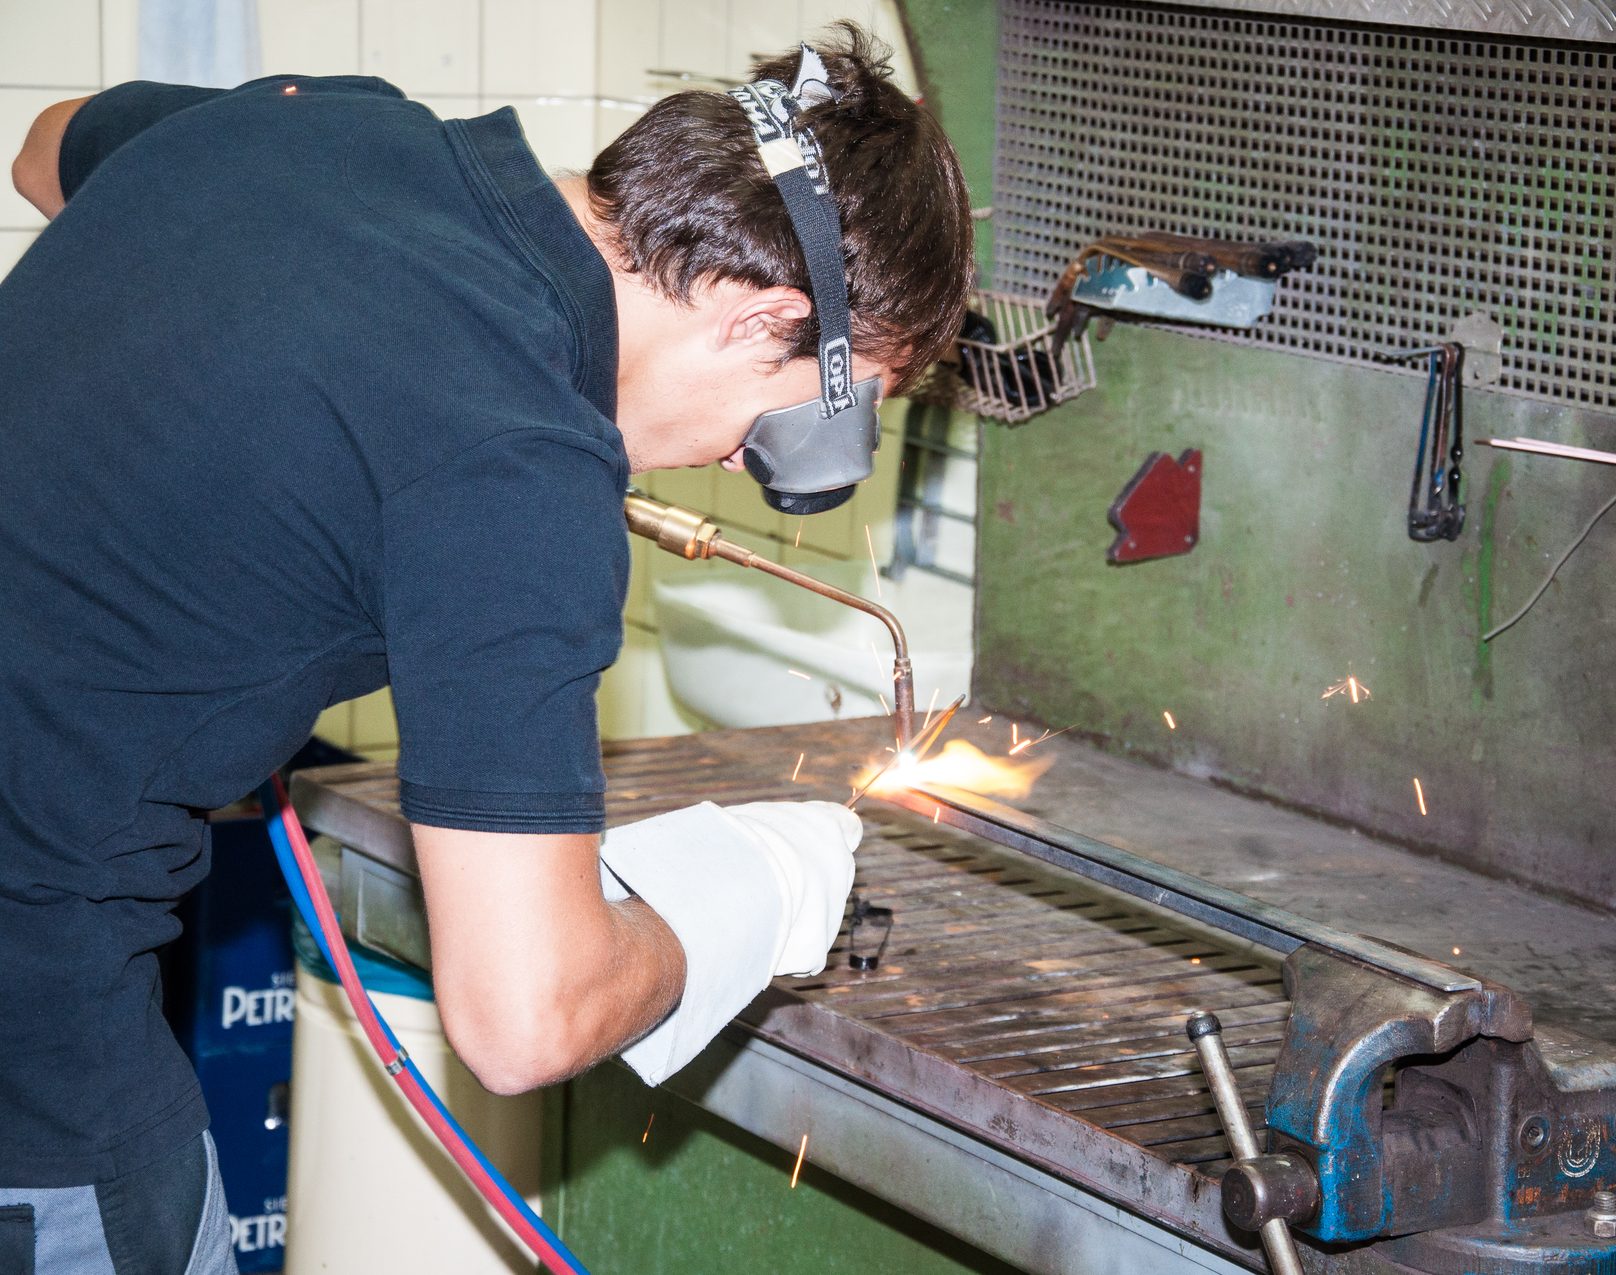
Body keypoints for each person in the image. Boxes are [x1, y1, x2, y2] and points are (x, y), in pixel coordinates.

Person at [1, 23, 971, 1273]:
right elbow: (523, 1019)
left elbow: (43, 151)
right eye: (802, 439)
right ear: (760, 318)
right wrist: (750, 896)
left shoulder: (328, 119)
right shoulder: (519, 464)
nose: (740, 466)